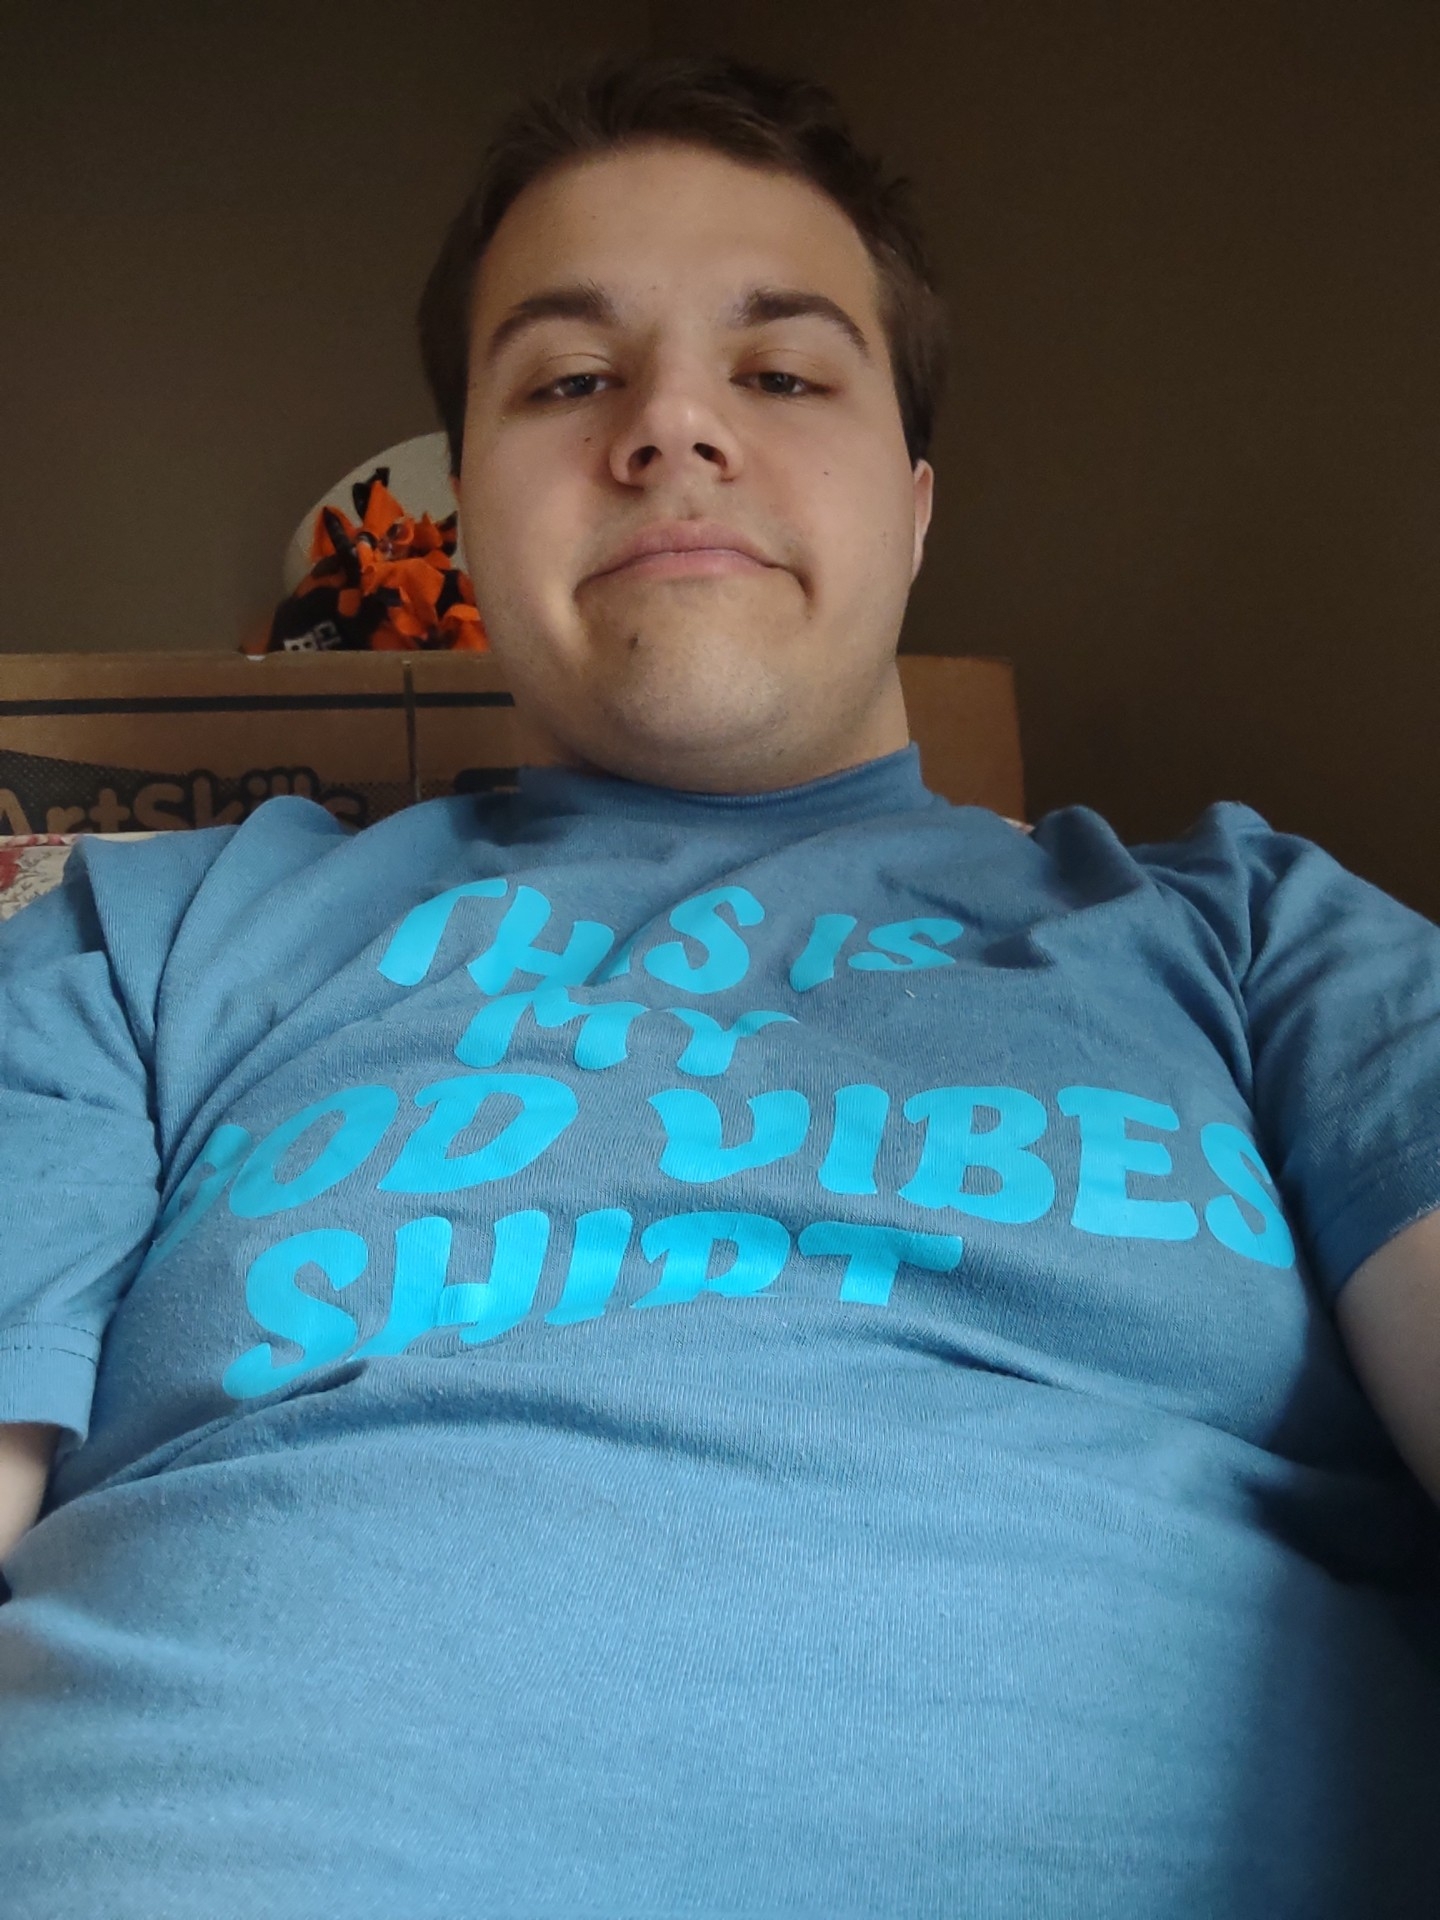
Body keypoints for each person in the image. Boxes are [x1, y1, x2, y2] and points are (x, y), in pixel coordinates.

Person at [1, 47, 1438, 1919]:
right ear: (465, 510)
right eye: (567, 379)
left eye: (781, 372)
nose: (672, 425)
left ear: (916, 506)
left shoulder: (1263, 938)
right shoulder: (136, 940)